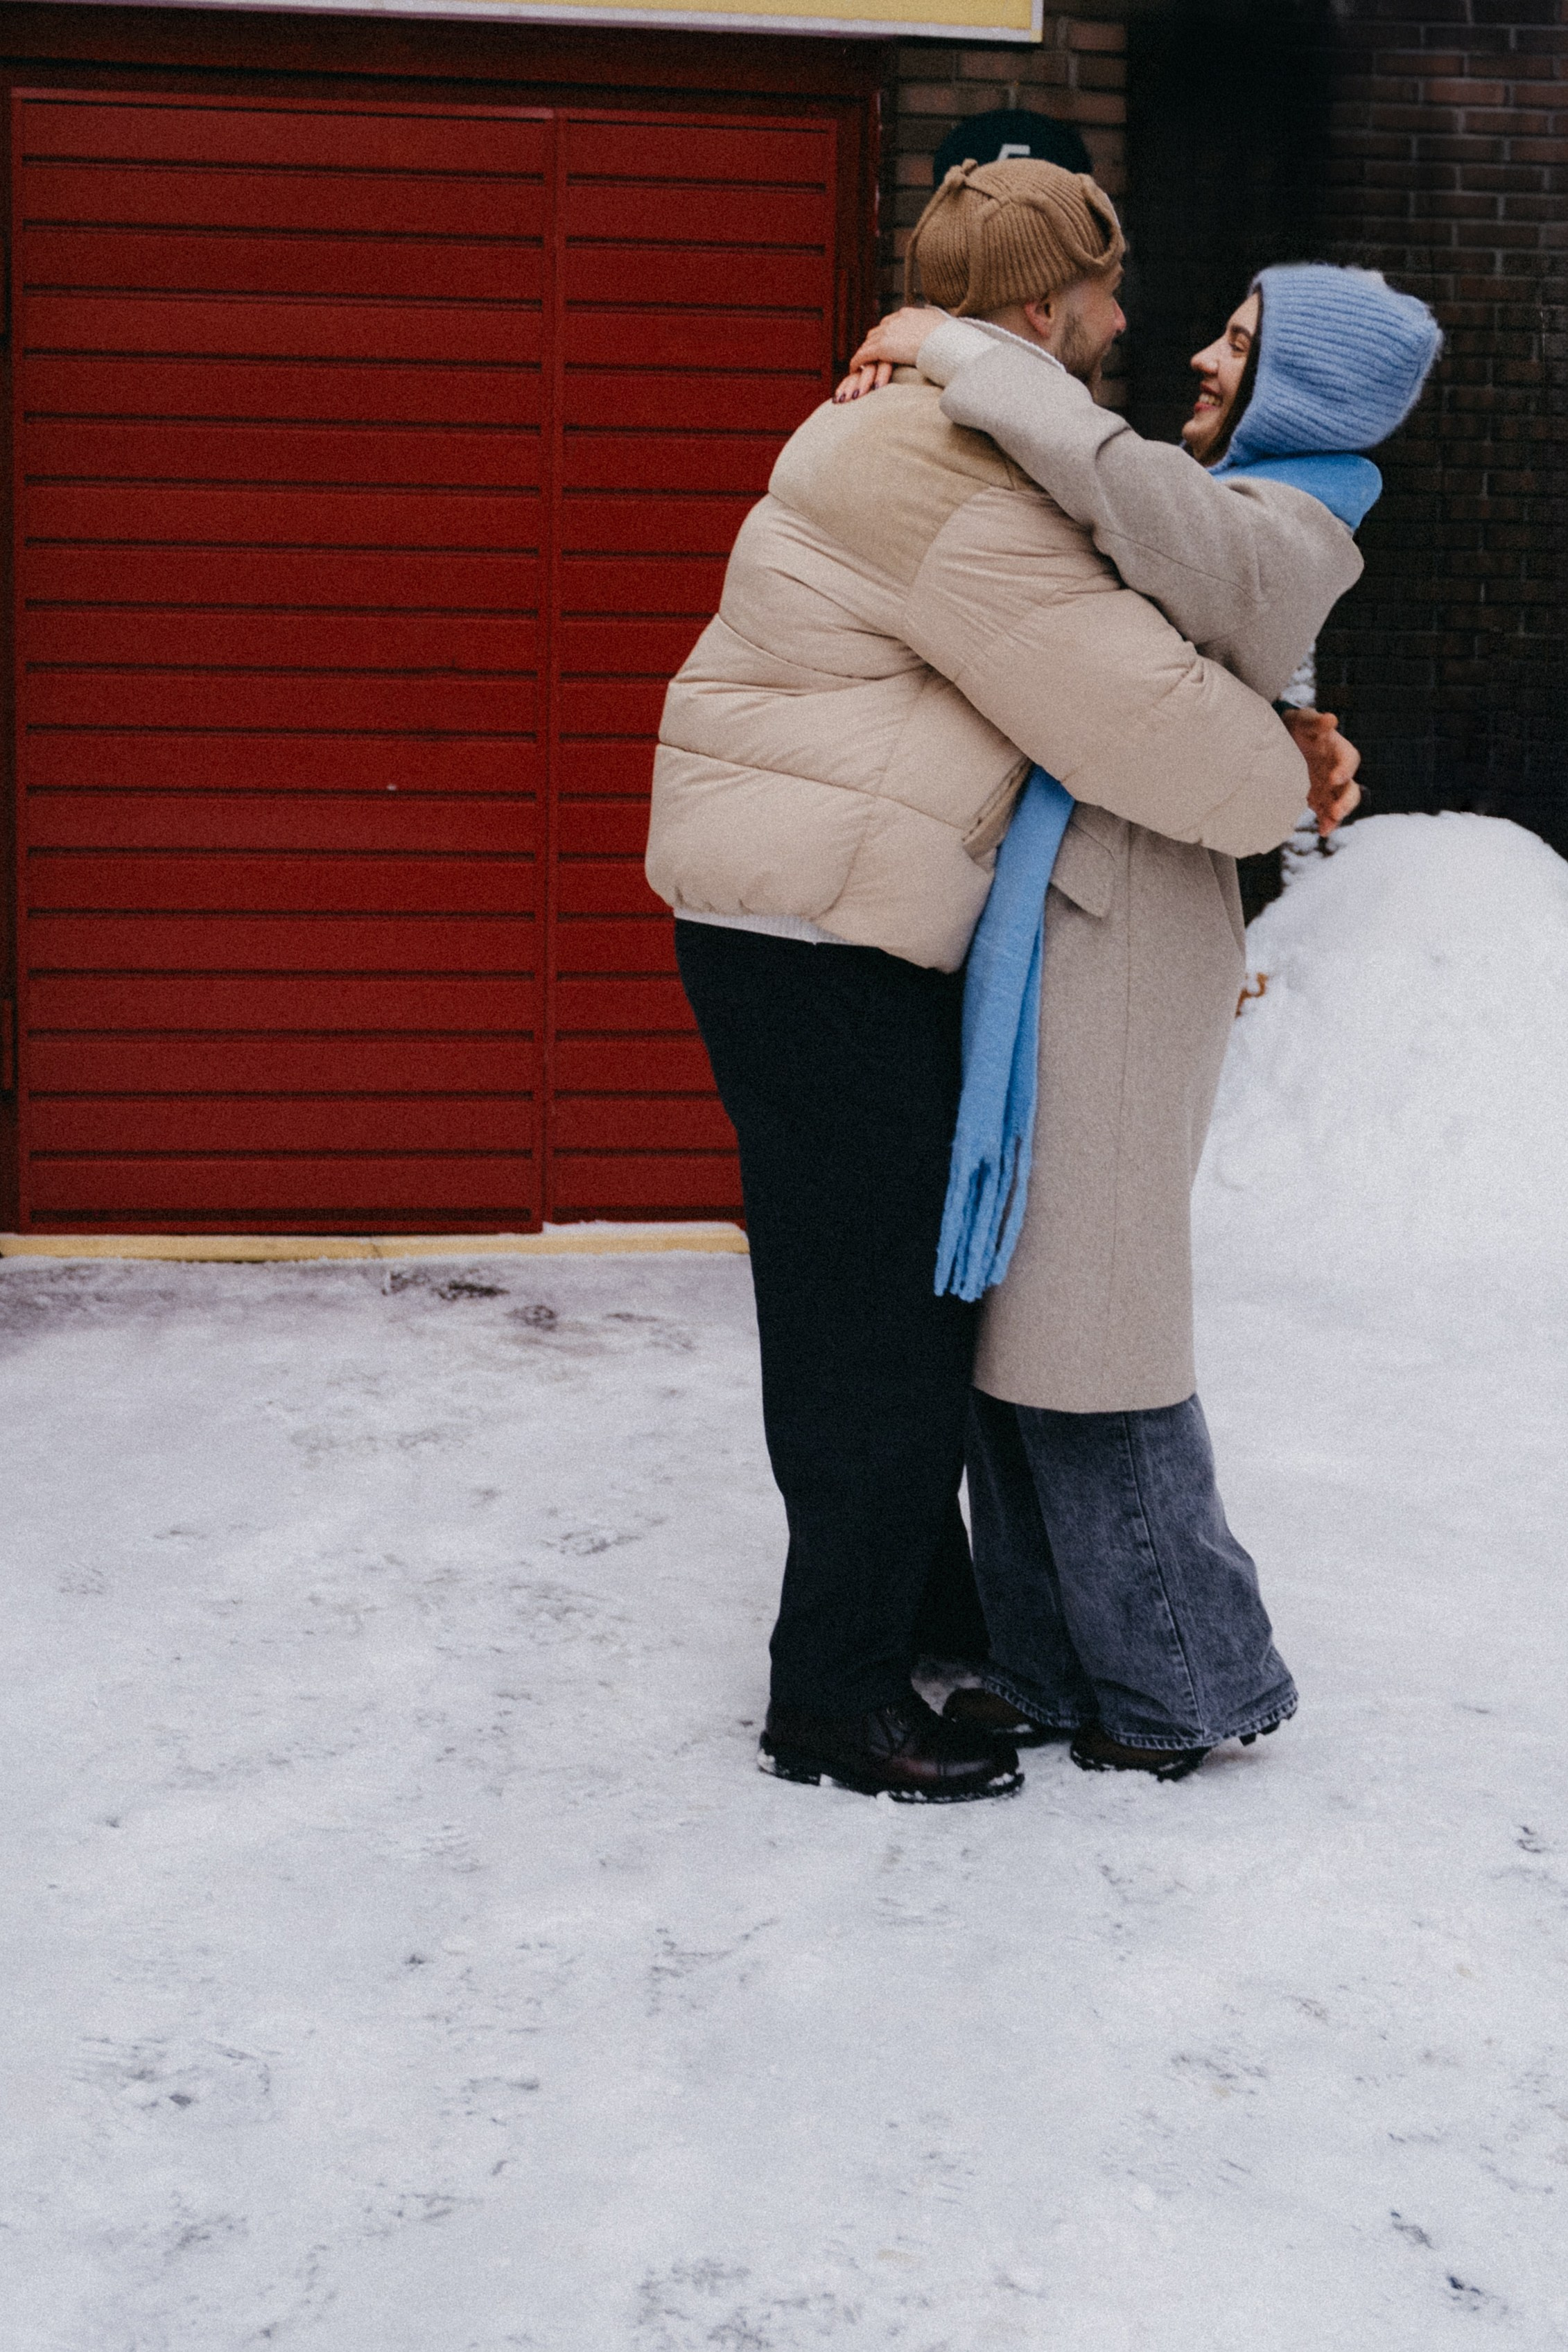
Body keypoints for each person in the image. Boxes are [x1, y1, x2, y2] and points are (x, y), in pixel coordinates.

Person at [645, 159, 1353, 1804]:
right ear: (1044, 307)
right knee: (871, 1335)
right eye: (1105, 294)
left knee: (899, 1310)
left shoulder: (933, 429)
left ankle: (912, 1622)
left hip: (824, 917)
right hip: (816, 934)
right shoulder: (944, 464)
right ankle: (832, 1696)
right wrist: (1287, 781)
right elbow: (1131, 707)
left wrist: (1286, 734)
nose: (1129, 326)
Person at [837, 246, 1443, 1778]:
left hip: (1125, 941)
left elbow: (1121, 492)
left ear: (1300, 385)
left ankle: (1189, 1679)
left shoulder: (1290, 520)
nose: (1203, 360)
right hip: (1070, 929)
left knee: (1096, 1327)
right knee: (1029, 1310)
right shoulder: (1242, 515)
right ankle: (1051, 1665)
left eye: (1241, 343)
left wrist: (955, 352)